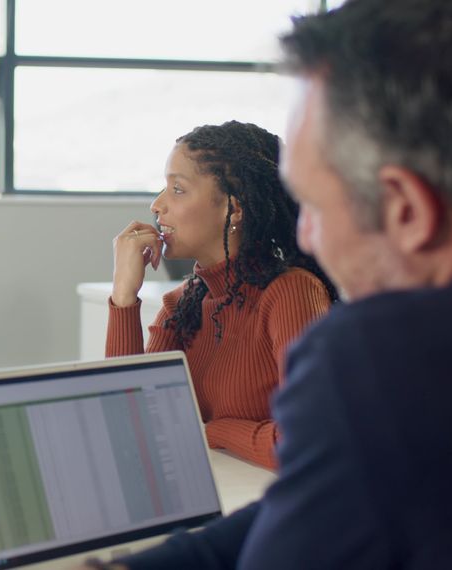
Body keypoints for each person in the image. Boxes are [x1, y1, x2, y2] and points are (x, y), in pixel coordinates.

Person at [86, 0, 452, 568]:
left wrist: (210, 429)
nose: (304, 235)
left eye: (311, 204)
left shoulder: (380, 354)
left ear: (406, 209)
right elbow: (319, 502)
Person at [107, 120, 336, 469]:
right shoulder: (181, 305)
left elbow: (309, 442)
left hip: (273, 506)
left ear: (235, 209)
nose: (156, 205)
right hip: (212, 494)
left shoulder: (292, 293)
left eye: (178, 189)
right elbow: (129, 430)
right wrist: (124, 296)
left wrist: (214, 431)